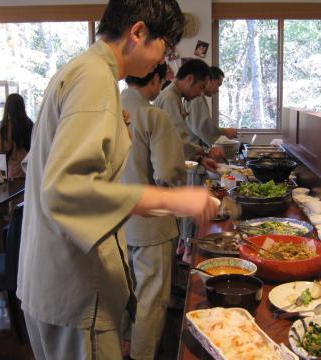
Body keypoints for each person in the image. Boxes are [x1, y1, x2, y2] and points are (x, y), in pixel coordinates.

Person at [16, 1, 217, 359]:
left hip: (48, 278)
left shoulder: (78, 69)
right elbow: (65, 190)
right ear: (137, 33)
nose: (162, 62)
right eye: (164, 49)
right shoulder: (95, 78)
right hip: (76, 285)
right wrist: (172, 200)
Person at [120, 63, 184, 360]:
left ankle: (120, 349)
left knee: (122, 297)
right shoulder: (152, 115)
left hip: (114, 225)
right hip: (150, 225)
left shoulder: (107, 112)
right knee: (151, 300)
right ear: (156, 79)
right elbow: (166, 173)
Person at [153, 58, 223, 171]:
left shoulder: (175, 97)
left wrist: (200, 159)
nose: (200, 93)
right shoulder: (169, 98)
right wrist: (206, 151)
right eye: (201, 87)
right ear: (190, 79)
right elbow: (179, 139)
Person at [185, 66, 237, 149]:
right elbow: (202, 127)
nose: (217, 90)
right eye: (218, 85)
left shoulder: (199, 97)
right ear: (209, 80)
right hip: (191, 151)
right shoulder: (196, 98)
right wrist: (225, 132)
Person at [0, 93, 33, 179]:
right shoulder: (30, 124)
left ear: (7, 108)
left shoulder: (5, 127)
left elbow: (0, 153)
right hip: (29, 170)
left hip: (12, 173)